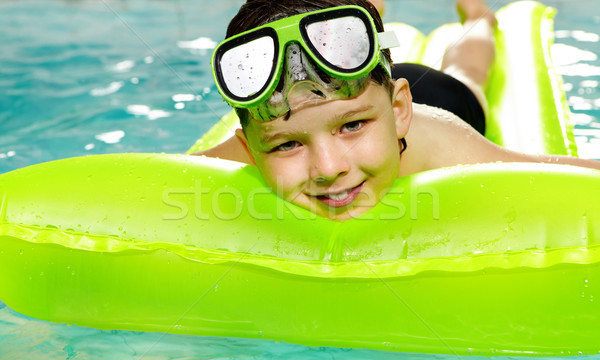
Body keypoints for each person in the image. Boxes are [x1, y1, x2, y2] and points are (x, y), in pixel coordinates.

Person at [196, 0, 600, 221]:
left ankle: (478, 17)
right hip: (367, 87)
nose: (328, 167)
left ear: (399, 109)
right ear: (249, 151)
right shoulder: (248, 149)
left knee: (467, 67)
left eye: (352, 126)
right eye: (287, 146)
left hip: (444, 97)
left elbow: (553, 173)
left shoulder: (443, 145)